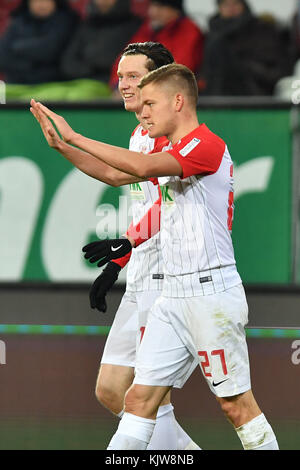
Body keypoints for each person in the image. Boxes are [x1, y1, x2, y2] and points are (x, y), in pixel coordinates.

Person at [33, 63, 280, 450]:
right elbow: (117, 176)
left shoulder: (205, 145)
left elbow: (143, 167)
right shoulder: (173, 154)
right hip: (172, 298)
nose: (142, 111)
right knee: (137, 400)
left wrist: (76, 134)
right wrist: (64, 147)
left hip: (210, 295)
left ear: (178, 101)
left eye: (150, 102)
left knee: (236, 407)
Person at [30, 42, 201, 450]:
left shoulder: (175, 136)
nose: (121, 83)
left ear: (159, 81)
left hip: (172, 274)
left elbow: (165, 202)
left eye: (132, 76)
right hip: (144, 269)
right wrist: (61, 146)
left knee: (150, 398)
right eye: (120, 76)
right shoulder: (142, 134)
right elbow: (116, 174)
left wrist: (123, 247)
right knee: (112, 390)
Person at [199, 0, 289, 96]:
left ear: (244, 5)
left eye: (235, 3)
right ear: (219, 8)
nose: (231, 8)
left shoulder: (262, 31)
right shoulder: (211, 35)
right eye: (225, 4)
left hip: (254, 97)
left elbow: (275, 70)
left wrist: (246, 67)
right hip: (216, 99)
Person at [109, 0, 204, 90]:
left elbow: (177, 72)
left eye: (160, 7)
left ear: (175, 10)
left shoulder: (188, 31)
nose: (153, 12)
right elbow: (125, 60)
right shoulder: (147, 29)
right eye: (152, 5)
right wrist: (119, 84)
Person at [60, 0, 142, 83]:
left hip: (109, 82)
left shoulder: (132, 25)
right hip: (75, 80)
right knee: (48, 94)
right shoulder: (86, 24)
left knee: (75, 95)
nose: (102, 1)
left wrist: (94, 68)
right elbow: (68, 59)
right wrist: (84, 70)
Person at [0, 0, 78, 84]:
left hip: (54, 83)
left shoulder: (67, 21)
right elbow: (3, 57)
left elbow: (50, 50)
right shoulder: (18, 21)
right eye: (35, 1)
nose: (41, 4)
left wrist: (17, 47)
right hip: (17, 82)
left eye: (46, 1)